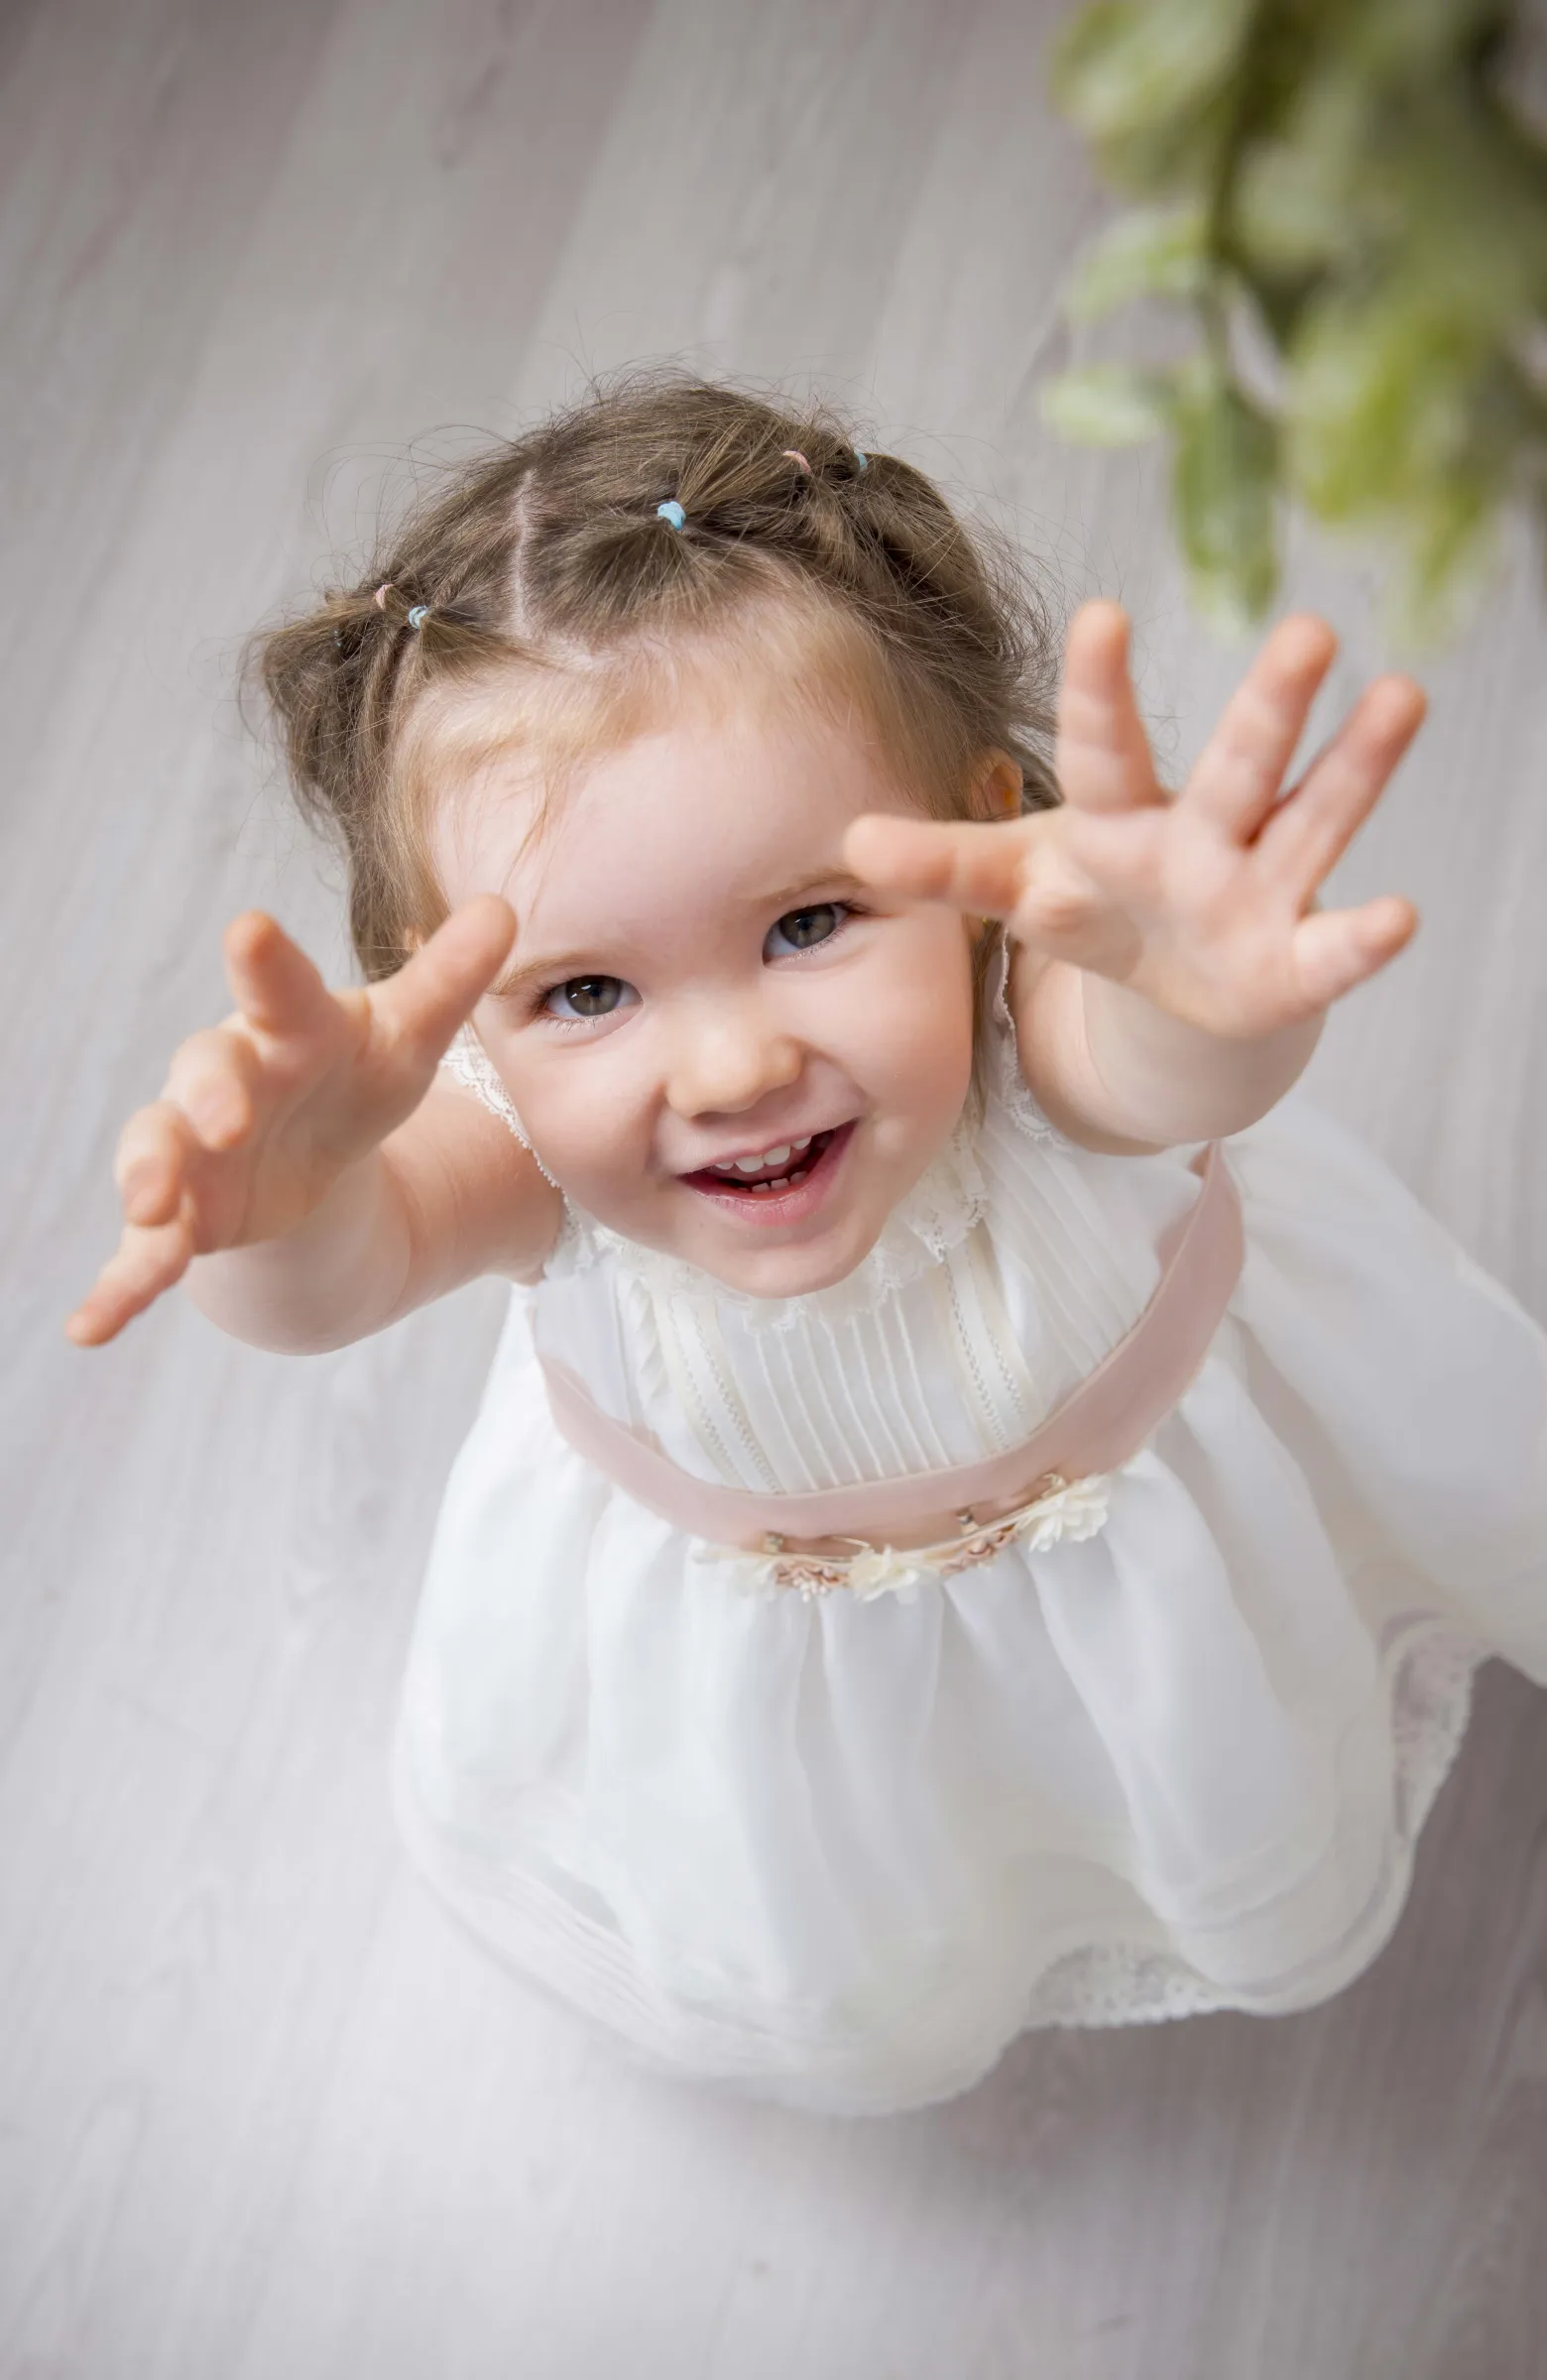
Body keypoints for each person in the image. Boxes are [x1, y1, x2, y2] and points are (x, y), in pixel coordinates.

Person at [68, 377, 1547, 2116]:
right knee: (913, 1871)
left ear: (985, 832)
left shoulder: (1029, 1011)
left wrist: (1203, 1002)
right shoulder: (525, 1155)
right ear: (450, 994)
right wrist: (286, 1211)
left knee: (1205, 1762)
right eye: (590, 991)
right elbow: (350, 1273)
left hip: (1175, 1545)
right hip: (805, 1683)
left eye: (810, 921)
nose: (735, 1066)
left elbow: (1149, 1076)